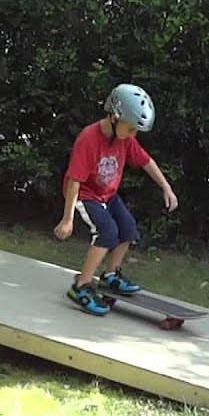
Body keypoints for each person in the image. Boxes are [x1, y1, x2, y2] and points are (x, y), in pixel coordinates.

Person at [55, 83, 178, 315]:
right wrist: (67, 218)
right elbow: (74, 181)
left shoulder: (125, 139)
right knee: (107, 232)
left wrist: (166, 187)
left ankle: (110, 275)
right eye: (131, 129)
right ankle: (81, 285)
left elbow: (146, 161)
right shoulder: (88, 139)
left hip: (107, 195)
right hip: (84, 195)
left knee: (128, 228)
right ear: (114, 117)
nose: (134, 135)